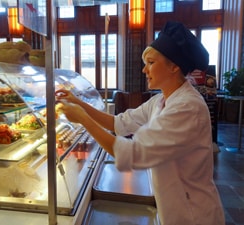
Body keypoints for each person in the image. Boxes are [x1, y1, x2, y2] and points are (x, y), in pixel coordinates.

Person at [55, 21, 225, 225]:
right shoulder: (161, 100)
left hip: (193, 215)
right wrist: (77, 102)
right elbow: (118, 123)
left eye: (151, 63)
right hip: (173, 208)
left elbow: (130, 153)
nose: (145, 70)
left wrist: (82, 118)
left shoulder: (187, 108)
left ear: (174, 66)